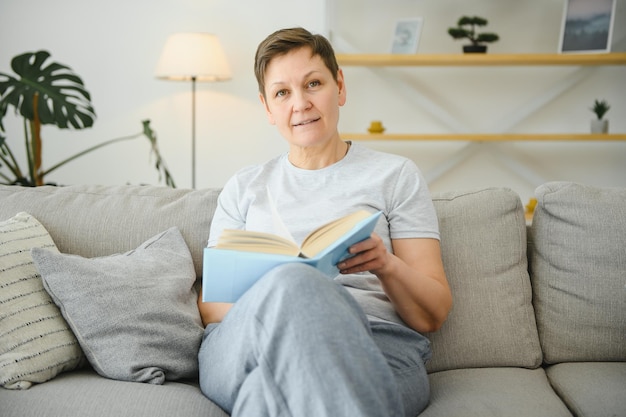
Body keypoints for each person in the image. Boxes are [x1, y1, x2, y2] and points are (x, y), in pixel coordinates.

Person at [197, 27, 452, 417]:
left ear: (339, 87)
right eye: (282, 92)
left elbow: (431, 314)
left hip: (374, 346)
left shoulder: (395, 175)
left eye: (313, 84)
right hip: (248, 345)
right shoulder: (244, 187)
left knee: (269, 396)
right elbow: (213, 306)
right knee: (295, 282)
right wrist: (286, 300)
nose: (300, 103)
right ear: (268, 108)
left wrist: (386, 265)